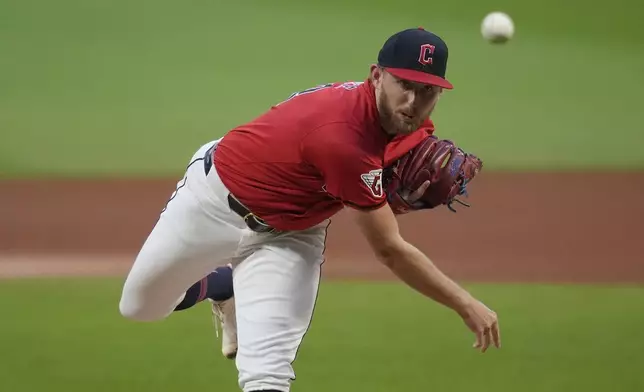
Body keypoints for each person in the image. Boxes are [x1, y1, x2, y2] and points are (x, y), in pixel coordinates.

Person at [118, 27, 500, 392]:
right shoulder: (343, 139)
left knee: (266, 372)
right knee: (141, 307)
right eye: (405, 85)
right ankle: (224, 284)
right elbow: (389, 250)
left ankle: (244, 301)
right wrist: (464, 303)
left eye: (428, 91)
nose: (414, 102)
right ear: (376, 76)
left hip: (292, 235)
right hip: (213, 203)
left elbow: (391, 161)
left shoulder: (405, 122)